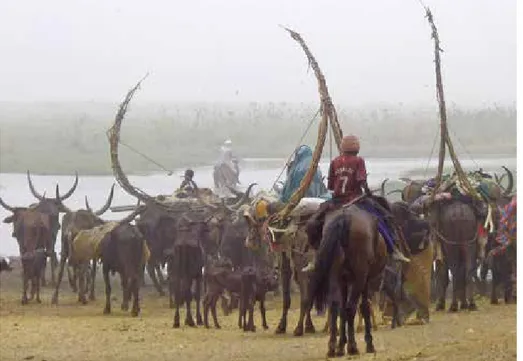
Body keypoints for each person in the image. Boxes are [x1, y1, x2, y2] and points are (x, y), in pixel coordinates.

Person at [302, 135, 410, 272]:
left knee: (313, 223)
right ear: (356, 148)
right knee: (383, 216)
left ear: (342, 147)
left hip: (336, 201)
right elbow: (361, 181)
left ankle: (316, 256)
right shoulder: (359, 161)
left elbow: (330, 186)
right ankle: (393, 248)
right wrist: (368, 192)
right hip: (356, 199)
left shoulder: (335, 162)